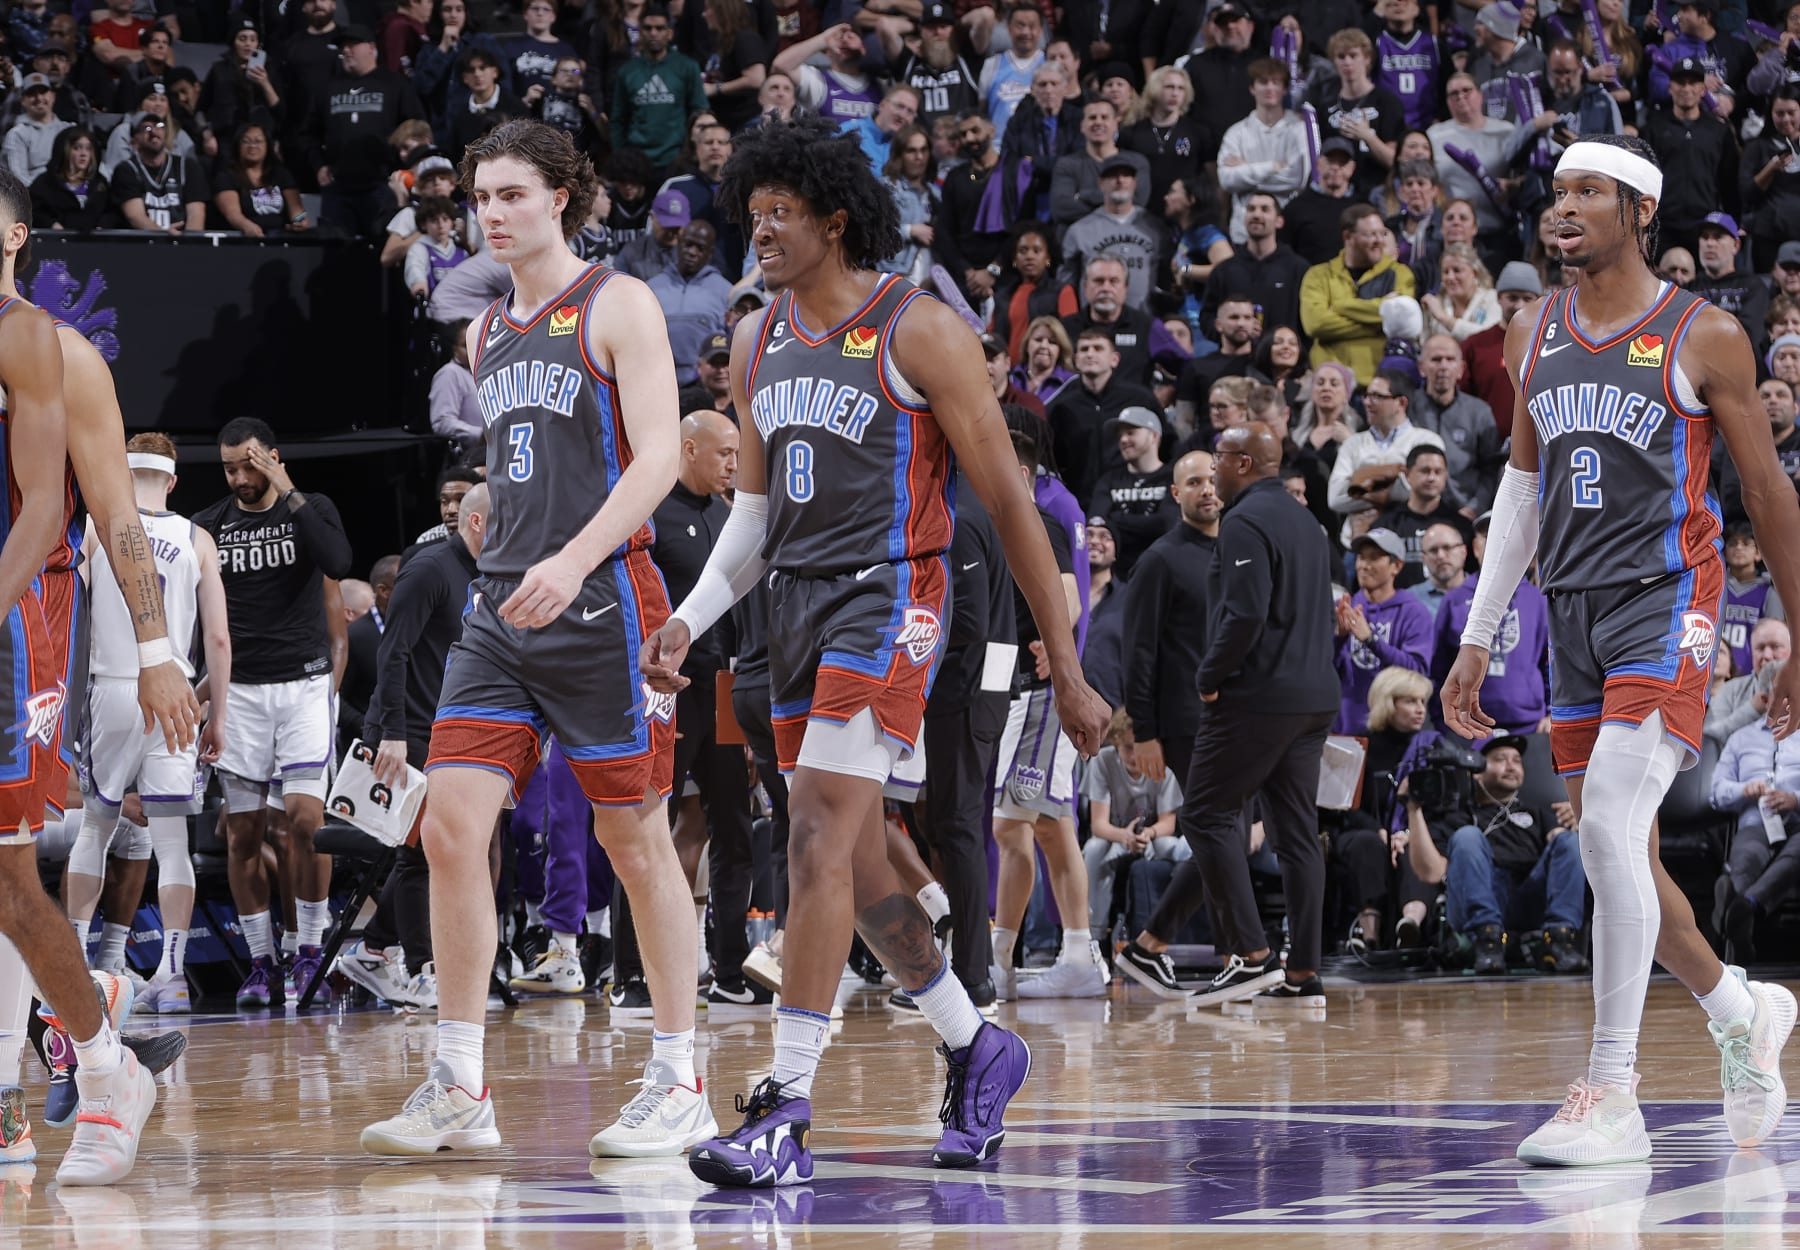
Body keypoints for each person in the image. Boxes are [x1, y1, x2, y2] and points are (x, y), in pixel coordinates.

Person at [640, 113, 1109, 1187]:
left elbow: (1011, 504)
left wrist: (1066, 662)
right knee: (855, 860)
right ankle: (974, 1040)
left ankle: (785, 1104)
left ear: (834, 218)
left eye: (779, 214)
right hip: (790, 606)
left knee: (809, 833)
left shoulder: (921, 329)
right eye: (750, 213)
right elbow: (751, 521)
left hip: (891, 594)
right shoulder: (759, 340)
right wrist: (690, 618)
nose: (757, 231)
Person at [354, 122, 714, 1163]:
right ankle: (459, 1083)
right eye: (480, 197)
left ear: (565, 196)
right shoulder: (488, 335)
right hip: (504, 606)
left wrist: (575, 558)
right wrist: (517, 559)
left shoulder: (619, 303)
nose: (492, 212)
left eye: (512, 193)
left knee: (632, 842)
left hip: (601, 598)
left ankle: (679, 1074)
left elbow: (658, 455)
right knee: (449, 829)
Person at [1442, 136, 1800, 1166]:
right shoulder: (1529, 329)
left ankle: (1612, 1091)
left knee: (1603, 821)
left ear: (1639, 211)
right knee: (1619, 855)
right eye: (1558, 192)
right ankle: (1741, 1009)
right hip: (1574, 617)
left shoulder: (1706, 334)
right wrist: (1479, 635)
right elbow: (1520, 490)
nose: (1565, 208)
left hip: (1670, 600)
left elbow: (1769, 496)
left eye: (1589, 192)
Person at [0, 161, 200, 1183]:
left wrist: (160, 652)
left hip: (26, 619)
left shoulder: (59, 353)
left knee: (12, 869)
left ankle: (80, 1051)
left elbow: (115, 512)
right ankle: (78, 1032)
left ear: (16, 237)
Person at [1121, 422, 1339, 1006]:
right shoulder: (1309, 524)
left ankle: (1250, 956)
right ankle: (1303, 971)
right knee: (1296, 835)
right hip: (1314, 698)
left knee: (1209, 818)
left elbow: (1244, 615)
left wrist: (1208, 676)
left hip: (1256, 699)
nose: (1212, 475)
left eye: (1216, 461)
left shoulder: (1244, 522)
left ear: (1242, 463)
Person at [193, 417, 352, 1010]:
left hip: (304, 688)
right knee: (242, 835)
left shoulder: (308, 509)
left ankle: (309, 949)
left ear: (273, 459)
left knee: (308, 824)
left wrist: (285, 487)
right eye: (230, 468)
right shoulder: (208, 526)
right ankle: (262, 960)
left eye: (249, 465)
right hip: (242, 694)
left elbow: (337, 558)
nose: (238, 478)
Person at [66, 434, 228, 1015]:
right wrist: (219, 717)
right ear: (174, 481)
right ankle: (173, 976)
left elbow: (68, 614)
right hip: (177, 693)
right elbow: (218, 639)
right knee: (172, 843)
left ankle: (76, 972)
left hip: (110, 686)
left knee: (95, 829)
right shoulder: (197, 538)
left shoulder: (92, 528)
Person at [1403, 734, 1587, 974]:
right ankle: (1487, 939)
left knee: (1569, 839)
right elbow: (1431, 872)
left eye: (1516, 760)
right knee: (1468, 835)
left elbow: (1563, 852)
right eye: (1500, 759)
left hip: (1527, 896)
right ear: (1476, 770)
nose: (1510, 765)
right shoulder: (1457, 814)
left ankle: (1560, 939)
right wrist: (1413, 809)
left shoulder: (1540, 812)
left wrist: (1579, 818)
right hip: (1477, 898)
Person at [1301, 202, 1418, 385]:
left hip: (1380, 384)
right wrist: (1379, 322)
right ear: (1348, 236)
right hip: (1331, 385)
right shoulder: (1318, 275)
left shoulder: (1400, 274)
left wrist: (1340, 306)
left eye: (1382, 233)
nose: (1379, 240)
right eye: (1370, 234)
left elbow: (1400, 319)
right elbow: (1315, 325)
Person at [1334, 528, 1433, 734]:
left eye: (1374, 558)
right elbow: (1326, 670)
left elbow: (1416, 671)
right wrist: (1339, 638)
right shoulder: (1345, 607)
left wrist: (1371, 640)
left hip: (1392, 731)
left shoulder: (1413, 611)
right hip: (1346, 725)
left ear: (1396, 566)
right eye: (1361, 557)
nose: (1364, 566)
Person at [1215, 59, 1307, 245]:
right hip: (1243, 232)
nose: (1269, 88)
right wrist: (1272, 166)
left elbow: (1297, 178)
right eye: (1263, 82)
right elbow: (1227, 179)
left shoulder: (1299, 129)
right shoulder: (1236, 132)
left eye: (1276, 82)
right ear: (1252, 88)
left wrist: (1246, 169)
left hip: (1288, 227)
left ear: (1285, 89)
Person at [1374, 445, 1476, 587]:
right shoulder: (1386, 526)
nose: (1431, 478)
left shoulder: (1461, 526)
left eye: (1438, 472)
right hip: (1400, 607)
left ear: (1445, 476)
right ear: (1407, 474)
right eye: (1425, 471)